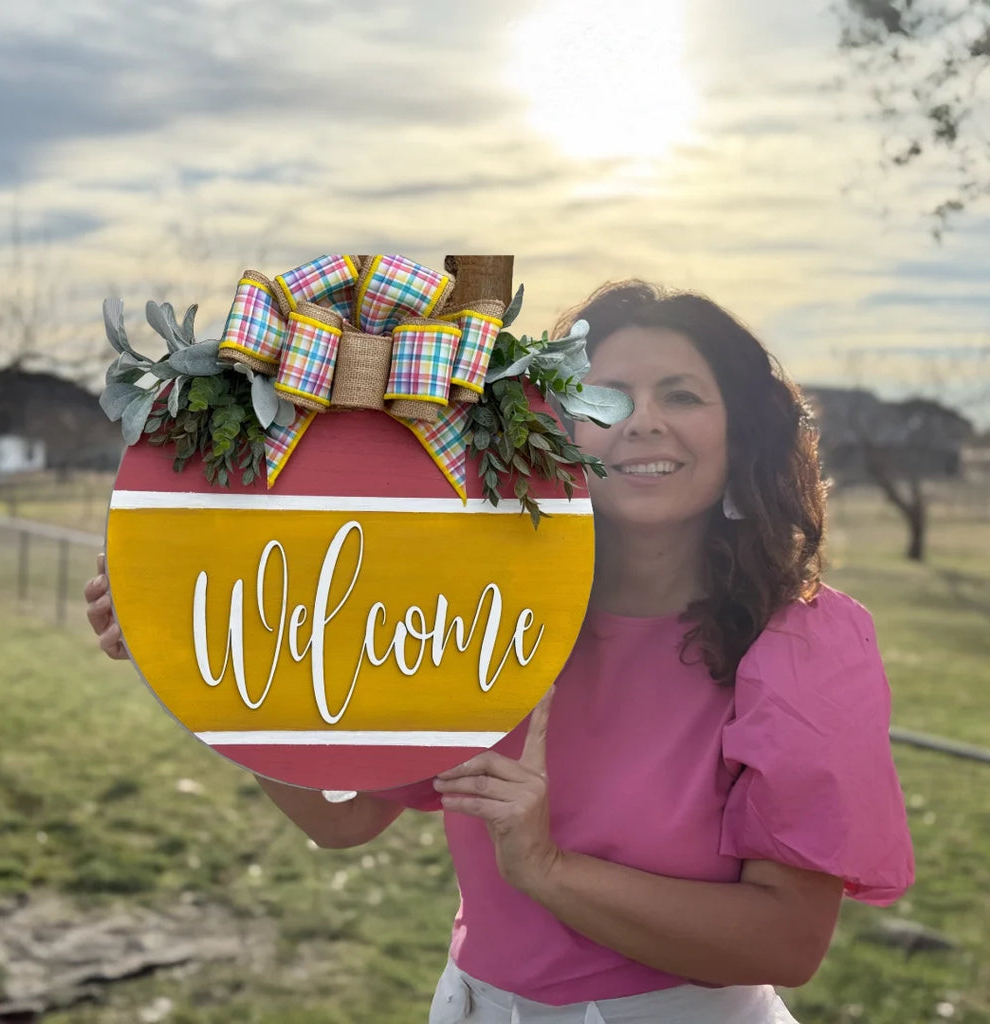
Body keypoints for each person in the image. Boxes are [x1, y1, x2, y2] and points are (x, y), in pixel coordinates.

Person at [85, 280, 915, 1023]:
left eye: (684, 395)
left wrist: (548, 868)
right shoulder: (488, 613)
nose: (643, 421)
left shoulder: (803, 642)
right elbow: (347, 819)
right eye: (607, 394)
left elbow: (787, 944)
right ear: (555, 428)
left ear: (742, 434)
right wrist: (205, 673)